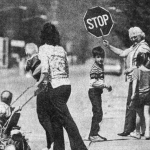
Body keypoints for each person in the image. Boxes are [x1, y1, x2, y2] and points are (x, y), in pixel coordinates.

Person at [36, 22, 88, 150]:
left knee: (65, 119)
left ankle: (80, 148)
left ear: (43, 35)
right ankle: (59, 148)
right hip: (66, 86)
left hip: (55, 87)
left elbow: (45, 71)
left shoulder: (43, 49)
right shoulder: (61, 49)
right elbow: (66, 68)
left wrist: (38, 84)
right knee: (56, 118)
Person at [103, 26, 150, 136]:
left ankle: (136, 130)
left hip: (139, 78)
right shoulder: (134, 47)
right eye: (131, 37)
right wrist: (109, 46)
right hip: (134, 77)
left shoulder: (144, 47)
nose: (133, 39)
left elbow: (145, 62)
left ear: (141, 35)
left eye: (135, 37)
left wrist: (133, 69)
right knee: (136, 105)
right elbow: (122, 53)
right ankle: (136, 130)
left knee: (136, 104)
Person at [25, 43, 54, 150]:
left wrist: (38, 84)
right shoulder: (41, 57)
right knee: (49, 117)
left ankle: (53, 143)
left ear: (28, 52)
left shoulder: (35, 59)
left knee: (42, 117)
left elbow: (30, 69)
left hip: (43, 88)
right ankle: (50, 145)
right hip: (49, 88)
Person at [88, 46, 112, 141]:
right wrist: (105, 85)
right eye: (98, 57)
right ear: (94, 57)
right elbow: (93, 82)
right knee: (97, 113)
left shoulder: (100, 66)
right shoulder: (94, 68)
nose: (100, 59)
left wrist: (105, 86)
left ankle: (93, 133)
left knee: (99, 113)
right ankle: (93, 134)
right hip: (93, 92)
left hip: (97, 92)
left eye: (102, 57)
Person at [129, 52, 150, 139]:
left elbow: (134, 83)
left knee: (138, 114)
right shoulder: (149, 71)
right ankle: (147, 132)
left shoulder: (136, 70)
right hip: (148, 93)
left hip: (139, 94)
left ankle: (137, 133)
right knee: (147, 114)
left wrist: (133, 94)